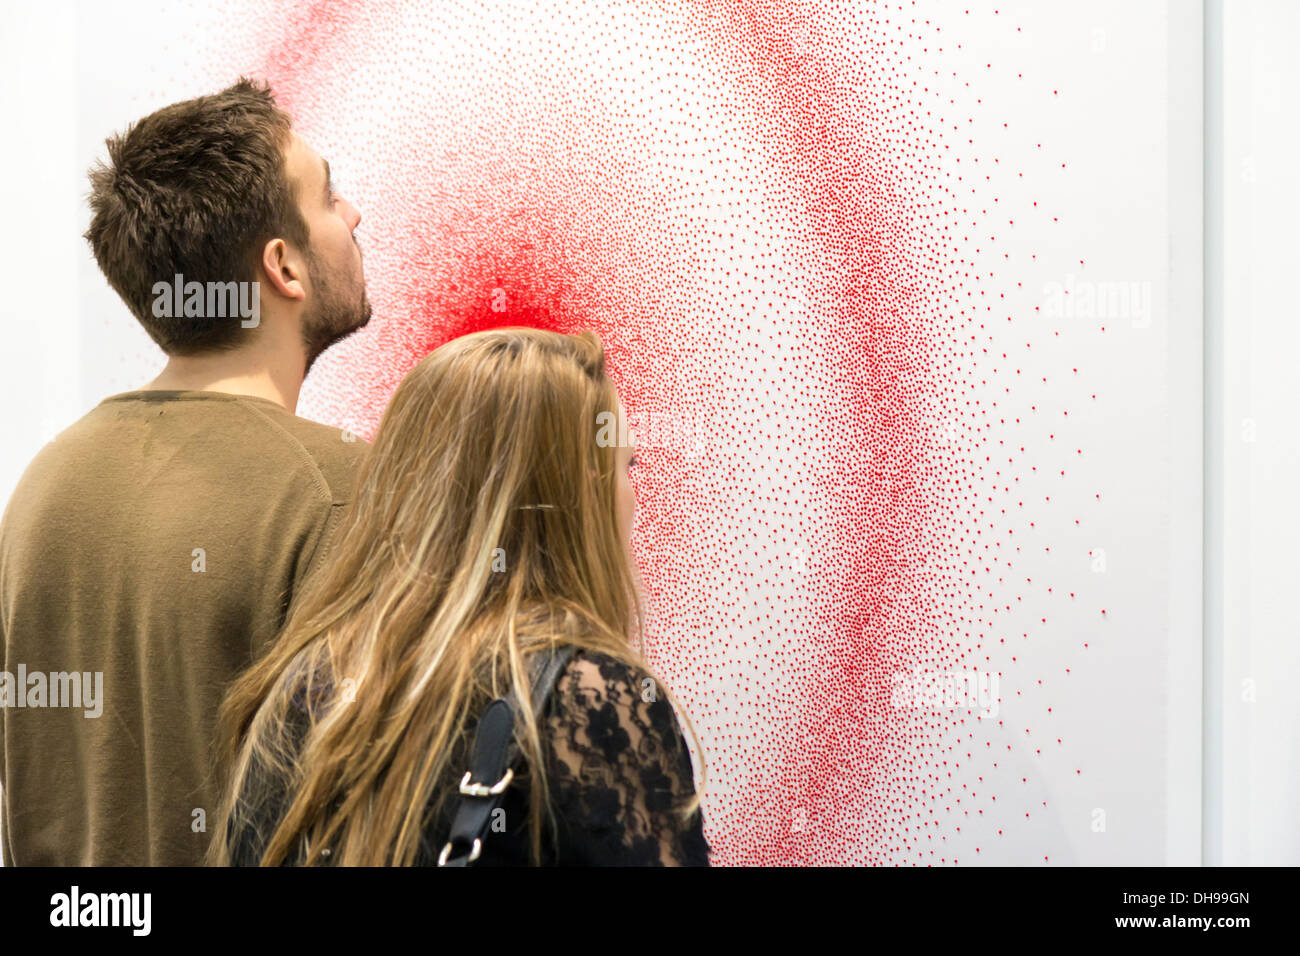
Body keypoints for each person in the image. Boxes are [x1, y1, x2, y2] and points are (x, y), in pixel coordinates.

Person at [0, 77, 371, 865]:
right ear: (285, 267)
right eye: (329, 196)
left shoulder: (43, 487)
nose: (352, 216)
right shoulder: (338, 490)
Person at [209, 327, 710, 866]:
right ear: (581, 491)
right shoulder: (590, 701)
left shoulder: (296, 689)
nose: (629, 491)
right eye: (624, 465)